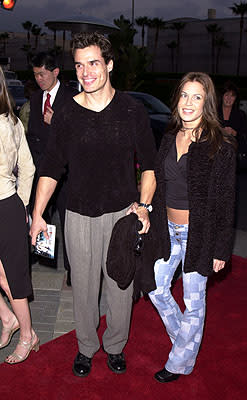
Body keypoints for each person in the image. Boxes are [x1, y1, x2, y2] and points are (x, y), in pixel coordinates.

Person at [30, 32, 156, 377]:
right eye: (80, 65)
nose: (86, 72)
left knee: (120, 286)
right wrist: (38, 214)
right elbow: (52, 167)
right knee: (83, 288)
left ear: (109, 64)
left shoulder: (132, 110)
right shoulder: (68, 114)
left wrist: (144, 206)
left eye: (94, 63)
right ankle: (86, 347)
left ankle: (115, 346)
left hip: (122, 214)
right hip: (79, 213)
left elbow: (149, 164)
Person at [148, 72, 236, 383]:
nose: (188, 102)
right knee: (156, 287)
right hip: (167, 229)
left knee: (194, 301)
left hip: (199, 234)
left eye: (196, 97)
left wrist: (221, 248)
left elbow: (226, 201)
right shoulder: (170, 136)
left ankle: (178, 362)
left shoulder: (220, 144)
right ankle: (186, 342)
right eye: (184, 95)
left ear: (206, 103)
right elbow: (159, 182)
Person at [27, 52, 77, 285]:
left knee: (67, 222)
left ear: (55, 72)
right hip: (41, 170)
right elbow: (34, 135)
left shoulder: (73, 98)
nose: (38, 79)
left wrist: (56, 122)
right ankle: (42, 257)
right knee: (40, 215)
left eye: (42, 74)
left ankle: (71, 269)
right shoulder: (36, 99)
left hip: (65, 173)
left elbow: (79, 137)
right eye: (35, 75)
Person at [0, 66, 39, 364]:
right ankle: (7, 318)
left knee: (13, 278)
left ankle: (27, 334)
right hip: (10, 205)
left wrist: (21, 205)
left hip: (5, 207)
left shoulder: (7, 123)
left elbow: (28, 166)